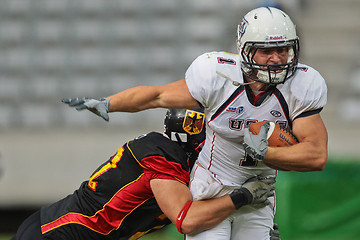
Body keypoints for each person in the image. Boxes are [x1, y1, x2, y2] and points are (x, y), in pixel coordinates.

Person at [62, 6, 328, 239]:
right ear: (245, 50)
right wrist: (109, 103)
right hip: (211, 185)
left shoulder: (302, 85)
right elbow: (157, 95)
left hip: (259, 193)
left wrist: (265, 153)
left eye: (283, 50)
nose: (277, 59)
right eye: (266, 51)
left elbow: (316, 155)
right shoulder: (218, 74)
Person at [12, 108, 277, 240]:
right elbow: (187, 219)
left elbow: (204, 206)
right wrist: (242, 197)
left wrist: (249, 227)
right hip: (57, 234)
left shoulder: (174, 158)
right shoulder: (163, 158)